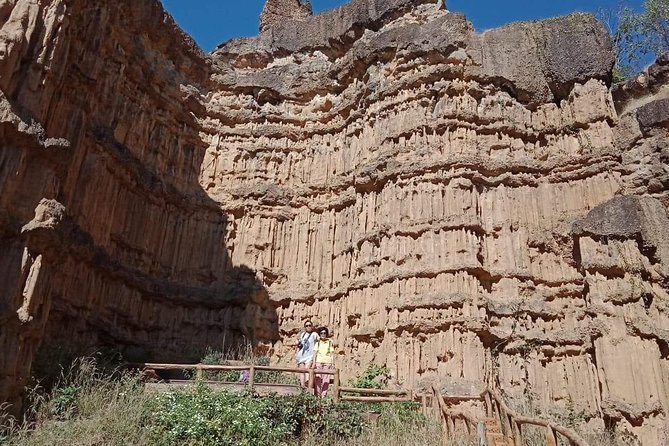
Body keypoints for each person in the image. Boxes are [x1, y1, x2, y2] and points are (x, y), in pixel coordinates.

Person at [310, 327, 335, 397]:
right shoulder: (317, 343)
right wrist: (314, 363)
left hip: (327, 362)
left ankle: (323, 394)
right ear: (319, 334)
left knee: (326, 379)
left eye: (324, 333)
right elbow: (315, 353)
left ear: (326, 334)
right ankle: (318, 394)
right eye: (321, 333)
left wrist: (333, 363)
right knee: (317, 378)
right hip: (319, 361)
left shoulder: (330, 342)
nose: (323, 334)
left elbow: (331, 353)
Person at [295, 320, 318, 388]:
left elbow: (319, 341)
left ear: (312, 326)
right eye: (306, 325)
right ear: (305, 327)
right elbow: (300, 345)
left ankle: (308, 386)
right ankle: (302, 387)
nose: (308, 327)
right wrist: (297, 354)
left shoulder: (314, 334)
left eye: (309, 325)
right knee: (302, 371)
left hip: (310, 356)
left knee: (307, 369)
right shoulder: (303, 334)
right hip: (302, 355)